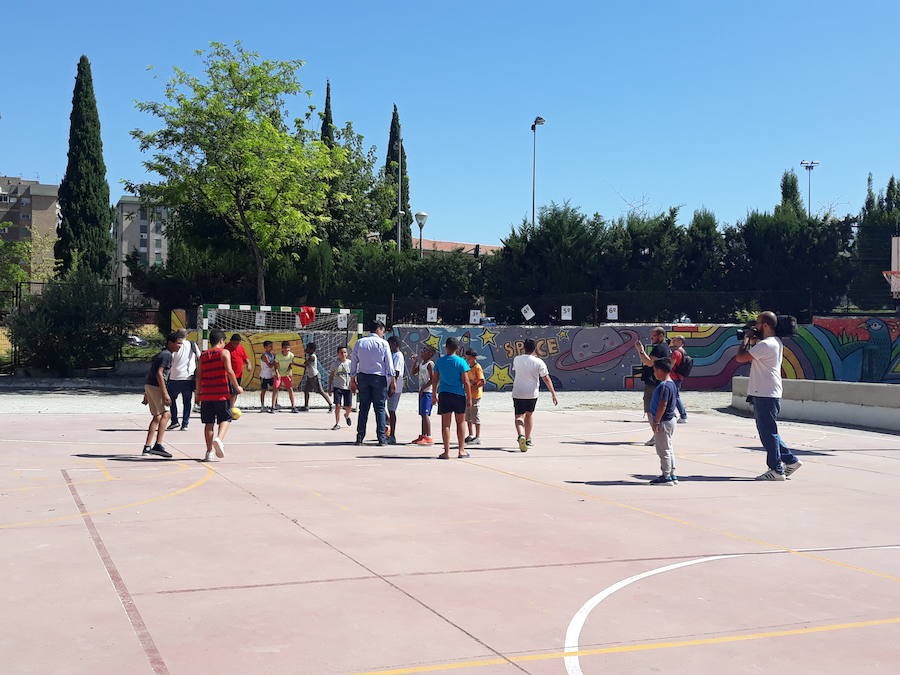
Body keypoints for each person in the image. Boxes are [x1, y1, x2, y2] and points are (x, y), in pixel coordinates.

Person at [734, 311, 802, 481]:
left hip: (765, 393)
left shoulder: (767, 345)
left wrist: (745, 341)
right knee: (769, 431)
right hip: (767, 391)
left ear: (765, 325)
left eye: (757, 323)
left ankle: (776, 469)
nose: (755, 326)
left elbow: (740, 358)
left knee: (767, 433)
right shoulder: (773, 342)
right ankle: (790, 461)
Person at [196, 329, 243, 461]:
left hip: (206, 394)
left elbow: (198, 376)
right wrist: (237, 386)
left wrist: (198, 394)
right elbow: (229, 371)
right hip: (221, 393)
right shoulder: (224, 352)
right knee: (226, 419)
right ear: (222, 341)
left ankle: (209, 452)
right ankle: (219, 439)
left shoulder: (203, 355)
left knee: (208, 423)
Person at [349, 320, 396, 446]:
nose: (383, 333)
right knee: (379, 408)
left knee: (363, 408)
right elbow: (389, 364)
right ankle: (381, 438)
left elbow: (354, 361)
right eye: (383, 330)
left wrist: (352, 379)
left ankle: (359, 437)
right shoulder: (383, 343)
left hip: (363, 377)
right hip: (378, 378)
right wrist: (392, 381)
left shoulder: (360, 342)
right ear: (379, 329)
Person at [511, 338, 558, 452]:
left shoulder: (517, 359)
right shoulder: (539, 362)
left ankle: (521, 435)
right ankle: (527, 439)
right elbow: (546, 378)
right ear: (534, 349)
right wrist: (553, 393)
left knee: (518, 416)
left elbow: (516, 370)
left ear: (523, 347)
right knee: (529, 415)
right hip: (532, 393)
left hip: (518, 392)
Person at [141, 331, 183, 458]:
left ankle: (147, 447)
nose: (179, 346)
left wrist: (146, 393)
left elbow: (150, 372)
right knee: (166, 414)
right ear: (170, 343)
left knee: (157, 417)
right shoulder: (167, 355)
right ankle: (158, 445)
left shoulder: (162, 354)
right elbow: (159, 374)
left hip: (149, 385)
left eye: (181, 344)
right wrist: (165, 394)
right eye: (178, 343)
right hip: (156, 386)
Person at [433, 337, 472, 459]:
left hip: (444, 394)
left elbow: (435, 380)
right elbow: (466, 381)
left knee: (446, 424)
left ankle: (446, 452)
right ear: (458, 348)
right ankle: (461, 450)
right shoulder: (461, 362)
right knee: (460, 422)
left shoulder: (440, 361)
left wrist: (434, 394)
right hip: (458, 394)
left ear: (446, 347)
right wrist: (469, 397)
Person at [646, 357, 679, 485]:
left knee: (663, 449)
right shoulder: (672, 384)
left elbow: (662, 405)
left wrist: (657, 421)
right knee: (668, 447)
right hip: (670, 420)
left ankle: (666, 476)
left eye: (654, 370)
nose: (654, 373)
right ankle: (672, 474)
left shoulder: (664, 386)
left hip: (663, 421)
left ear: (660, 370)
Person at [636, 327, 671, 445]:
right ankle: (658, 435)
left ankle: (656, 436)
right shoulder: (665, 347)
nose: (651, 339)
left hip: (653, 383)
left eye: (653, 336)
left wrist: (640, 350)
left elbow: (648, 362)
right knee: (654, 410)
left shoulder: (660, 348)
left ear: (661, 336)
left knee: (650, 410)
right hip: (657, 382)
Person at [166, 328, 199, 431]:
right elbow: (199, 357)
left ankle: (174, 421)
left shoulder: (173, 344)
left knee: (172, 400)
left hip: (174, 377)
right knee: (187, 402)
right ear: (186, 335)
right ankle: (185, 424)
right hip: (188, 377)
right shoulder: (192, 344)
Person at [410, 344, 436, 445]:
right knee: (422, 414)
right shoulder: (422, 363)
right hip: (422, 391)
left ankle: (428, 436)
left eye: (424, 350)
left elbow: (433, 379)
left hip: (427, 392)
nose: (422, 351)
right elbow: (413, 372)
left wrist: (424, 388)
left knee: (425, 414)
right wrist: (415, 362)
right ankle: (423, 435)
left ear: (430, 354)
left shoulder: (430, 364)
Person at [299, 342, 333, 412]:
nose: (306, 349)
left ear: (312, 350)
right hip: (310, 376)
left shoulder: (312, 357)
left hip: (315, 376)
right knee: (306, 391)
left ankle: (330, 405)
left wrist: (294, 364)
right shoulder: (309, 355)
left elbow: (305, 365)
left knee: (320, 391)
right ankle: (306, 406)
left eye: (308, 348)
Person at [385, 335, 405, 444]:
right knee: (381, 406)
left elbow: (396, 372)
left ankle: (392, 435)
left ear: (395, 344)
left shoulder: (398, 356)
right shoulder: (392, 355)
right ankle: (387, 424)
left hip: (395, 385)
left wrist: (392, 386)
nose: (389, 346)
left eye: (390, 344)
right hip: (389, 383)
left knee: (392, 410)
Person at [328, 345, 353, 430]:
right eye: (341, 352)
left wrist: (354, 385)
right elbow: (331, 376)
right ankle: (337, 423)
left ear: (347, 353)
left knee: (348, 406)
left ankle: (346, 415)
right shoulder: (335, 364)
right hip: (337, 387)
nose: (343, 354)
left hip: (348, 387)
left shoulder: (350, 363)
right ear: (338, 354)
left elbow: (353, 375)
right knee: (338, 405)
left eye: (345, 352)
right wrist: (329, 387)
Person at [464, 349, 485, 445]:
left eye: (469, 358)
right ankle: (471, 434)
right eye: (466, 358)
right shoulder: (467, 366)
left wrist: (473, 387)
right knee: (467, 416)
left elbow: (482, 381)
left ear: (474, 358)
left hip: (475, 395)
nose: (467, 359)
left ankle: (478, 437)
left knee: (475, 415)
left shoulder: (477, 367)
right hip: (468, 395)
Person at [224, 334, 250, 408]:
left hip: (239, 375)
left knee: (236, 392)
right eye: (235, 343)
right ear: (231, 341)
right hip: (229, 375)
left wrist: (249, 364)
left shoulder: (241, 348)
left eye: (238, 343)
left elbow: (245, 358)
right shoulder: (226, 349)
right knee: (231, 393)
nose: (236, 345)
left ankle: (230, 407)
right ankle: (230, 408)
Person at [272, 341, 298, 413]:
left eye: (288, 348)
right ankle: (273, 407)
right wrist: (277, 374)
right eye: (285, 348)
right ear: (282, 349)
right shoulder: (278, 356)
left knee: (290, 389)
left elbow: (290, 366)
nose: (287, 350)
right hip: (279, 374)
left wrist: (290, 373)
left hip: (286, 374)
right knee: (275, 389)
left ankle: (293, 407)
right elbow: (275, 365)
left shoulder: (291, 355)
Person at [669, 336, 689, 423]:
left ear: (680, 341)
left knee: (675, 396)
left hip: (673, 377)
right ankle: (673, 414)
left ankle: (683, 415)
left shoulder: (676, 352)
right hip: (679, 377)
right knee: (673, 396)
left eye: (675, 340)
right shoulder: (683, 351)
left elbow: (671, 365)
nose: (673, 341)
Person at [259, 340, 277, 412]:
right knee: (264, 390)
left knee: (275, 389)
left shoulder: (272, 354)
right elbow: (269, 365)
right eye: (270, 346)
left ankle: (275, 404)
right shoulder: (264, 355)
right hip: (264, 376)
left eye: (272, 346)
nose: (271, 347)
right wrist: (276, 362)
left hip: (271, 375)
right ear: (265, 347)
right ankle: (262, 406)